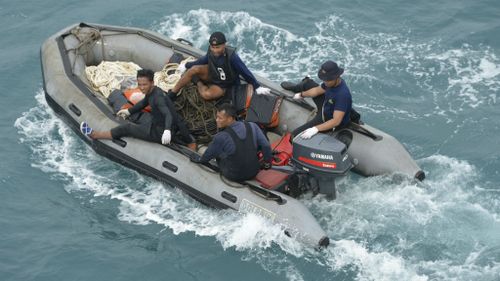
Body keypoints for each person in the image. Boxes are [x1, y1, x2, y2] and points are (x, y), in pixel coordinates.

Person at [80, 69, 196, 150]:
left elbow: (168, 115)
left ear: (152, 82)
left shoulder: (158, 98)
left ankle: (95, 135)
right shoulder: (154, 90)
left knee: (127, 128)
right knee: (138, 116)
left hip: (159, 133)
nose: (141, 87)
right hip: (157, 123)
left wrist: (166, 131)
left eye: (144, 85)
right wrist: (128, 111)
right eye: (139, 84)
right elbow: (144, 103)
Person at [168, 31, 271, 101]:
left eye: (218, 47)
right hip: (212, 74)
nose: (215, 50)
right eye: (213, 47)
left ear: (224, 45)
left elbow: (244, 71)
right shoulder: (211, 51)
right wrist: (186, 65)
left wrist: (257, 87)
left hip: (223, 85)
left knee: (206, 95)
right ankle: (172, 94)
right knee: (193, 69)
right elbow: (203, 60)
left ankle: (197, 81)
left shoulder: (232, 57)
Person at [190, 103, 272, 182]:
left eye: (220, 118)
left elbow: (208, 155)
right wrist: (267, 163)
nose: (216, 120)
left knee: (218, 152)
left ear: (230, 119)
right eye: (217, 117)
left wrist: (200, 160)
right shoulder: (252, 125)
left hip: (233, 175)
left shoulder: (221, 136)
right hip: (253, 172)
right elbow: (266, 145)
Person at [291, 60, 352, 139]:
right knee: (308, 84)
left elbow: (336, 121)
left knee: (294, 135)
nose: (325, 82)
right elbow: (316, 91)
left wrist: (315, 129)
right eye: (324, 79)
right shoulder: (330, 83)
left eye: (328, 79)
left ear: (336, 77)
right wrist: (301, 94)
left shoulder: (342, 95)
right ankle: (299, 86)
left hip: (327, 119)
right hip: (326, 106)